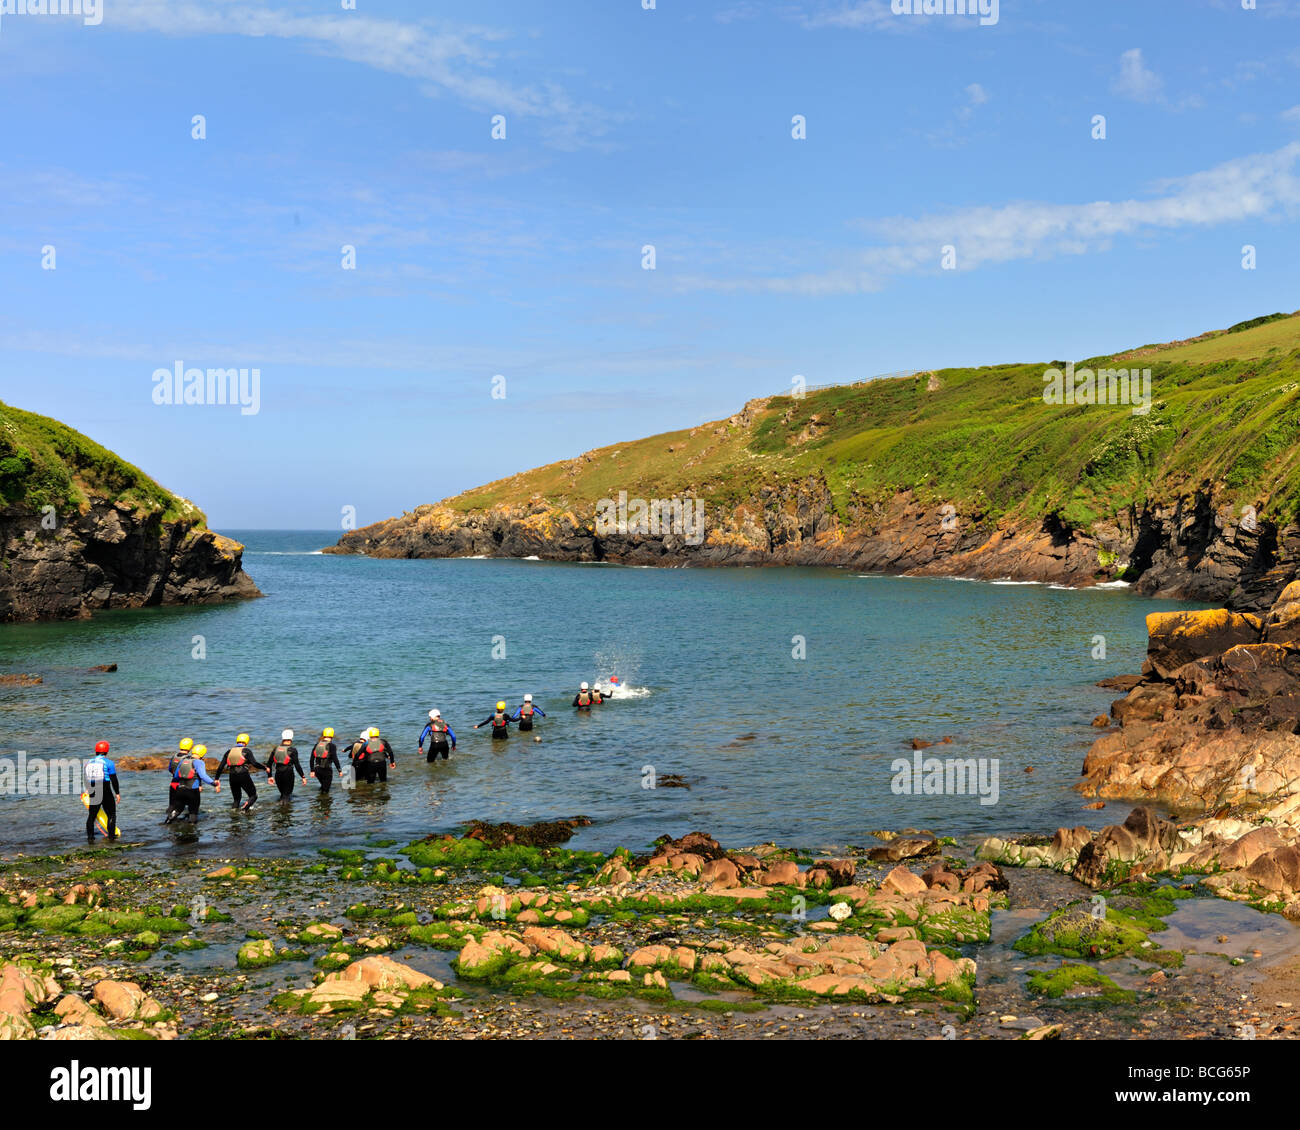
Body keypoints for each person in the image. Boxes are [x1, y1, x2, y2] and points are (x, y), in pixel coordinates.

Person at [165, 744, 218, 824]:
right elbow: (203, 776)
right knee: (193, 812)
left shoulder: (183, 760)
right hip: (192, 791)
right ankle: (192, 831)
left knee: (178, 809)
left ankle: (167, 822)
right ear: (202, 754)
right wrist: (214, 783)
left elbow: (176, 775)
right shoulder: (199, 762)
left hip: (180, 789)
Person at [213, 733, 263, 811]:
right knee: (253, 796)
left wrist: (216, 779)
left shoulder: (229, 751)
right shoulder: (246, 750)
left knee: (236, 800)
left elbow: (220, 767)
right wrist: (265, 768)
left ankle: (234, 816)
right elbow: (255, 763)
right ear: (246, 742)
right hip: (243, 775)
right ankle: (244, 809)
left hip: (232, 776)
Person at [83, 740, 120, 843]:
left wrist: (87, 789)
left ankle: (90, 839)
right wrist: (117, 793)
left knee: (92, 815)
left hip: (93, 789)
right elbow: (114, 779)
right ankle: (111, 838)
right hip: (105, 789)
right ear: (106, 751)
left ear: (96, 751)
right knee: (111, 814)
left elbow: (86, 779)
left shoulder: (88, 763)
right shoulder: (109, 763)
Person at [266, 729, 307, 800]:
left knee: (282, 794)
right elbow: (297, 765)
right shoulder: (292, 750)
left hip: (278, 774)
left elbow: (269, 764)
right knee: (287, 795)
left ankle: (281, 809)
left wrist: (269, 777)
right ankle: (285, 809)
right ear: (291, 739)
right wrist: (303, 777)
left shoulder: (276, 749)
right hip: (288, 774)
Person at [309, 728, 343, 793]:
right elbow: (335, 758)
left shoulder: (317, 745)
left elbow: (311, 758)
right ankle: (324, 801)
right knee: (326, 790)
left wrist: (312, 771)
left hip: (317, 770)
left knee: (323, 786)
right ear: (332, 736)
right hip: (326, 770)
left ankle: (319, 800)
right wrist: (339, 770)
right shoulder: (332, 746)